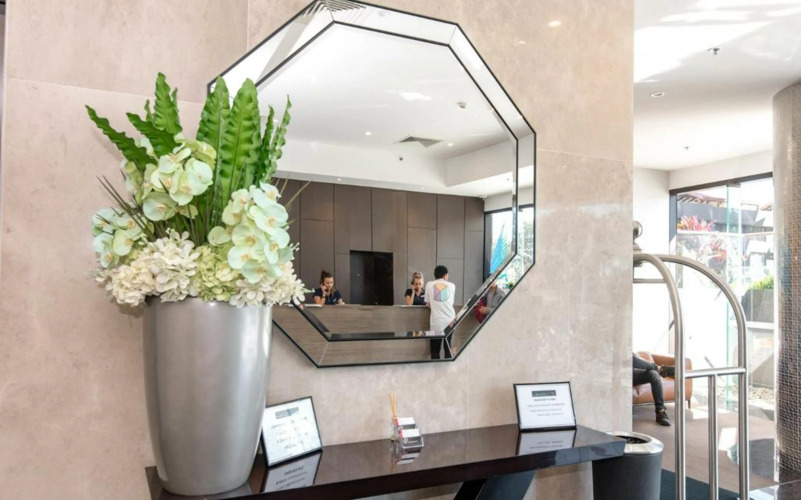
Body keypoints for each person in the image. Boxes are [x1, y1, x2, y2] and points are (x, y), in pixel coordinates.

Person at [633, 354, 676, 426]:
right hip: (620, 373)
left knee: (653, 374)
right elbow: (631, 360)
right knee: (630, 358)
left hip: (632, 369)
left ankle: (660, 412)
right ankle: (661, 369)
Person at [425, 265, 456, 359]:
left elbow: (428, 303)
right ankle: (448, 367)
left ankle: (435, 367)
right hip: (450, 321)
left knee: (435, 350)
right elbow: (451, 302)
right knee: (448, 347)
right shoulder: (452, 285)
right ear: (445, 275)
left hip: (436, 322)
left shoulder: (429, 284)